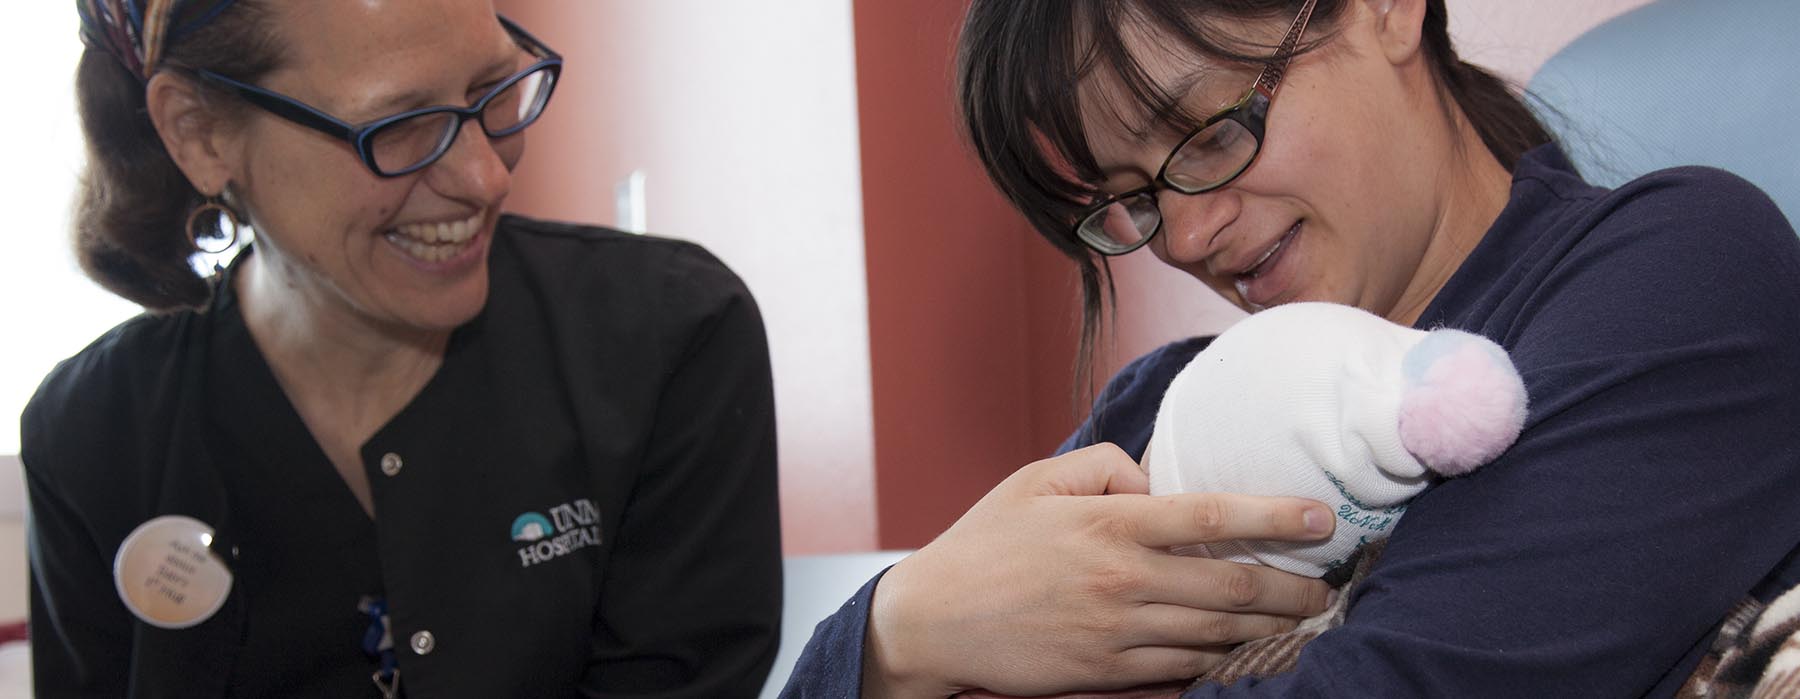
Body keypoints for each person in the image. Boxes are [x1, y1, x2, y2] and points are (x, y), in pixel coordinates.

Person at [782, 0, 1800, 696]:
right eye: (1129, 200)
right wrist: (897, 631)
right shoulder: (1154, 413)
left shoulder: (1684, 268)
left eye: (1212, 130)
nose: (1184, 239)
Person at [25, 1, 780, 696]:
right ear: (198, 132)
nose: (485, 177)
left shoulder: (667, 339)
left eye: (496, 88)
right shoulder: (94, 433)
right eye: (399, 126)